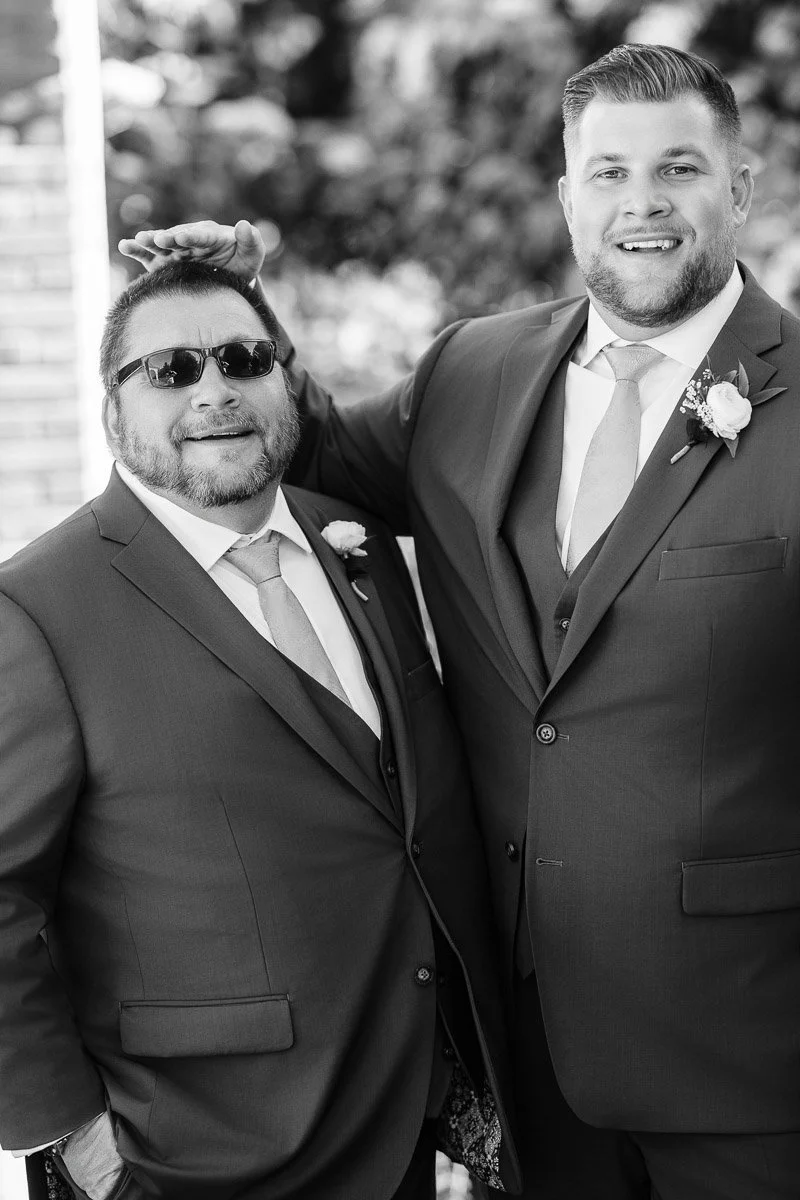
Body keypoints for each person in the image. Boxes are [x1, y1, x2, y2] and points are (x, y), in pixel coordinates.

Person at [122, 42, 800, 1200]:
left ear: (737, 189)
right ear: (567, 197)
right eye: (607, 173)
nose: (639, 203)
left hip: (754, 1060)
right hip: (524, 1053)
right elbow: (305, 453)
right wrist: (242, 316)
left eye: (677, 169)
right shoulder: (471, 373)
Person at [0, 261, 523, 1200]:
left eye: (244, 359)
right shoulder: (35, 609)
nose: (214, 390)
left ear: (283, 380)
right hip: (190, 1151)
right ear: (113, 411)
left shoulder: (359, 544)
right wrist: (71, 1137)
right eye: (170, 369)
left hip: (403, 1120)